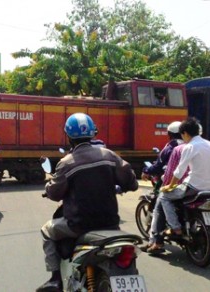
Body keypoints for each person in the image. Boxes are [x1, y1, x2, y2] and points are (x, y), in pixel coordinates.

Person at [36, 113, 138, 292]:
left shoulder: (66, 163)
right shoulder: (109, 155)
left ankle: (55, 279)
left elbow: (54, 193)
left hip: (79, 225)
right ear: (93, 133)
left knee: (46, 230)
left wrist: (49, 187)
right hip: (111, 224)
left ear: (68, 136)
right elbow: (131, 182)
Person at [144, 117, 210, 253]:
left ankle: (175, 227)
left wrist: (169, 186)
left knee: (164, 197)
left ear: (185, 134)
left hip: (194, 187)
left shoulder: (189, 146)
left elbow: (179, 171)